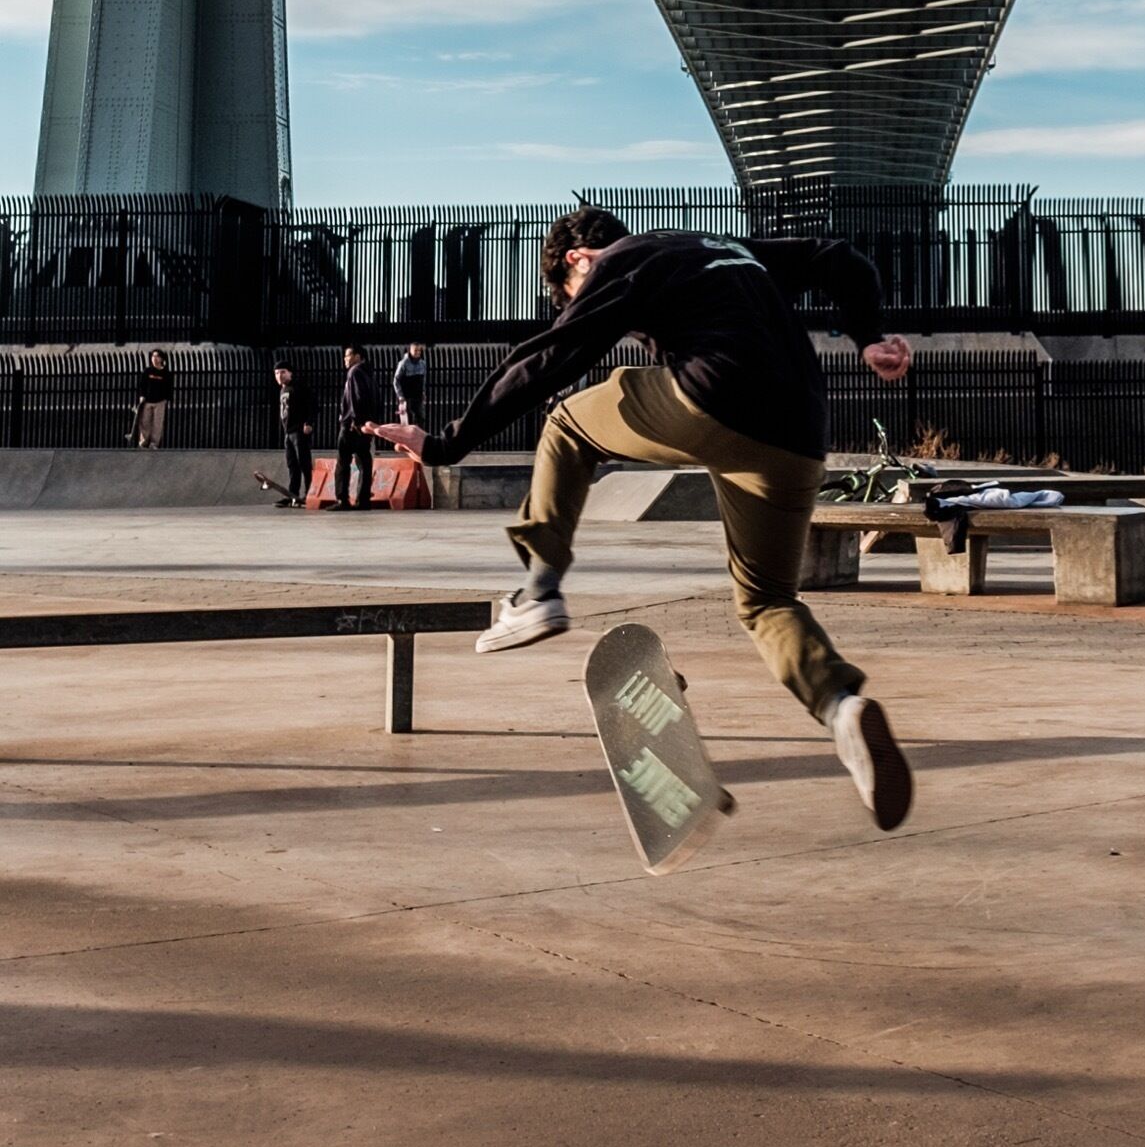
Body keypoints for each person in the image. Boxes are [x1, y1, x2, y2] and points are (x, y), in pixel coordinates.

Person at [366, 206, 916, 830]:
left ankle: (538, 590)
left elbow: (549, 357)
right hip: (799, 433)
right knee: (766, 599)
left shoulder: (622, 260)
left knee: (566, 421)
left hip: (713, 397)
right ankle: (842, 707)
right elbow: (837, 257)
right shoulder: (729, 245)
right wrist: (869, 333)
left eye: (574, 295)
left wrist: (443, 445)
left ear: (577, 260)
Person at [334, 346, 378, 510]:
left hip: (352, 424)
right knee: (364, 462)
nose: (345, 359)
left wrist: (355, 420)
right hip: (366, 425)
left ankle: (342, 500)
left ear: (357, 356)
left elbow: (355, 397)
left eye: (347, 356)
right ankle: (363, 499)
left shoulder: (355, 372)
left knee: (343, 462)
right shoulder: (370, 374)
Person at [273, 362, 314, 508]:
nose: (280, 376)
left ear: (290, 373)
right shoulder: (282, 390)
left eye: (283, 372)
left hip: (299, 431)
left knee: (304, 463)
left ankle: (310, 493)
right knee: (292, 465)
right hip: (288, 432)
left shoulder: (299, 387)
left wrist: (309, 422)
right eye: (277, 373)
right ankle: (293, 495)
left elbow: (313, 405)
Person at [131, 349, 172, 450]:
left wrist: (167, 399)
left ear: (161, 358)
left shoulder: (165, 373)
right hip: (147, 401)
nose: (154, 358)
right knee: (145, 423)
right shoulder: (147, 371)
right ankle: (143, 442)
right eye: (153, 356)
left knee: (157, 423)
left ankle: (154, 443)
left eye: (157, 356)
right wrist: (141, 396)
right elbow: (142, 385)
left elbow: (169, 387)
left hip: (160, 401)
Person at [392, 342, 428, 427]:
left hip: (417, 395)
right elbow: (396, 380)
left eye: (419, 350)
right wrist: (400, 396)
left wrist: (423, 392)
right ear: (410, 351)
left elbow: (423, 379)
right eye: (415, 350)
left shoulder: (422, 364)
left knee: (420, 418)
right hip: (406, 396)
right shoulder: (403, 363)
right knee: (408, 419)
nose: (418, 352)